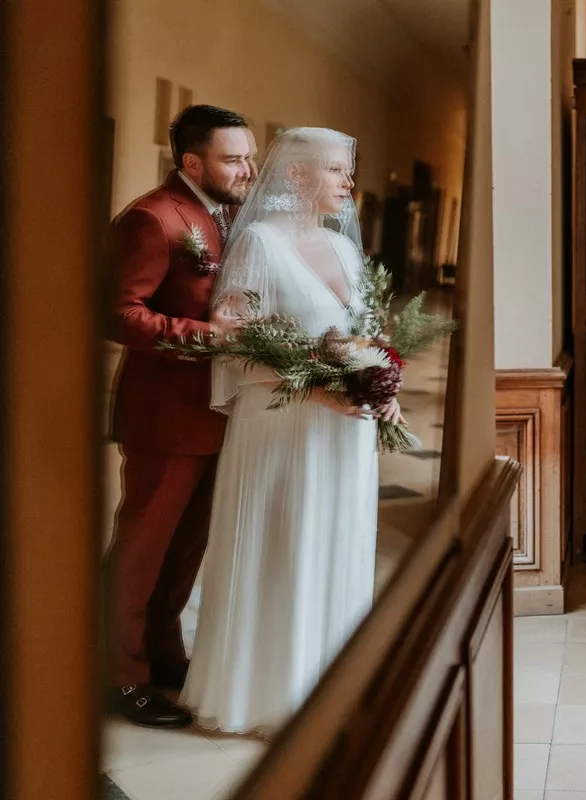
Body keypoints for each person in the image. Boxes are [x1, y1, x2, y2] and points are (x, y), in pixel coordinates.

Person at [179, 128, 402, 736]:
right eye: (335, 170)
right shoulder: (259, 244)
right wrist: (320, 390)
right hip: (282, 431)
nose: (348, 182)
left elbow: (366, 339)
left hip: (344, 437)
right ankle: (269, 694)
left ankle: (330, 685)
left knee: (338, 543)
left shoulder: (347, 251)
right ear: (298, 176)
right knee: (284, 548)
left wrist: (384, 388)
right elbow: (235, 353)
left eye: (347, 170)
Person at [106, 104, 256, 728]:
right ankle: (117, 678)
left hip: (218, 415)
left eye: (250, 156)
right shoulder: (151, 217)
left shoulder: (229, 213)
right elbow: (116, 313)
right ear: (192, 162)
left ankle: (163, 657)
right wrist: (209, 336)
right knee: (140, 554)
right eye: (233, 158)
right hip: (165, 417)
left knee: (183, 552)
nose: (247, 168)